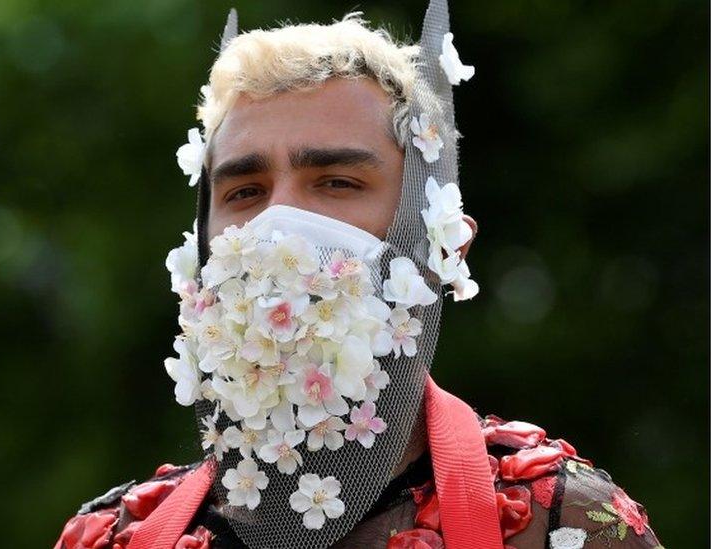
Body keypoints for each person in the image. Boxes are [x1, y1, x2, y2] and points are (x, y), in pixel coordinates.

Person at [55, 5, 663, 549]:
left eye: (337, 182)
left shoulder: (557, 524)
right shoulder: (111, 539)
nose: (279, 225)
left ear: (443, 244)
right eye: (245, 190)